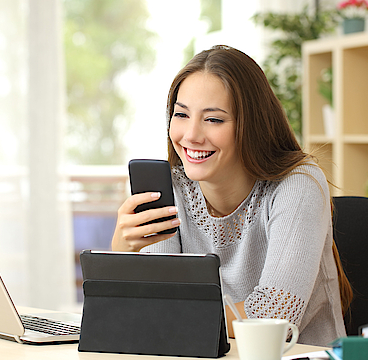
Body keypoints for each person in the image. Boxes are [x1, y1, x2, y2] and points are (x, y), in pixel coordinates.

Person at [111, 45, 351, 346]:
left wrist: (175, 313)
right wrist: (122, 251)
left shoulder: (297, 185)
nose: (191, 135)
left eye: (214, 120)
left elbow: (275, 317)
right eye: (181, 115)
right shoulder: (172, 187)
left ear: (251, 125)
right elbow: (155, 299)